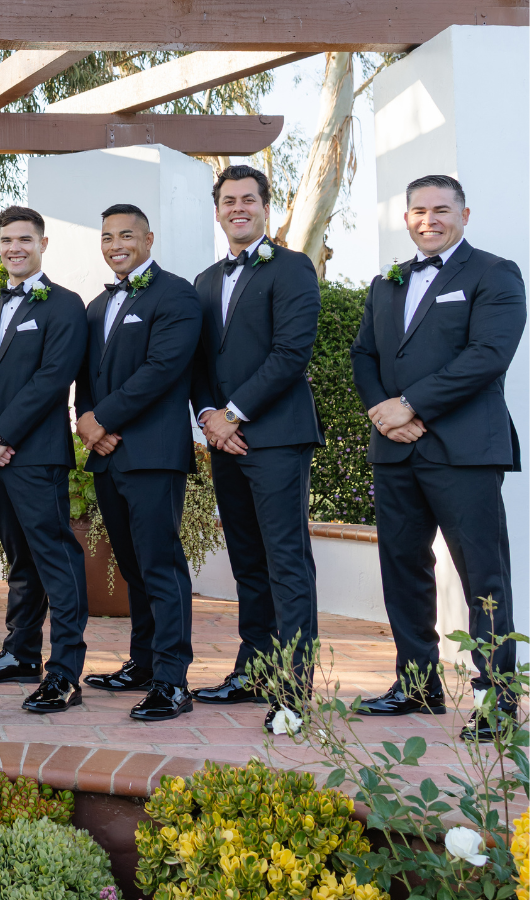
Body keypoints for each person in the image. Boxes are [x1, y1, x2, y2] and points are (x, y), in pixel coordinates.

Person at [350, 174, 525, 742]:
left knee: (483, 577)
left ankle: (497, 701)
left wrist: (411, 404)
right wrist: (383, 412)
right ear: (406, 219)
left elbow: (488, 355)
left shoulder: (495, 273)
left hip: (464, 450)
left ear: (464, 215)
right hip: (395, 451)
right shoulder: (386, 281)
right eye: (419, 211)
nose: (430, 220)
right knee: (402, 570)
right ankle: (417, 686)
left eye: (442, 210)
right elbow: (364, 353)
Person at [189, 165, 323, 733]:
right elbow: (196, 362)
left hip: (276, 436)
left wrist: (233, 414)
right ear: (217, 211)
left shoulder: (292, 268)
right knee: (247, 560)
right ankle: (254, 670)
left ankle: (293, 690)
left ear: (266, 207)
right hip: (224, 441)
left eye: (248, 199)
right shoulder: (204, 281)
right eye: (228, 200)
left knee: (286, 561)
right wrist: (207, 417)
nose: (238, 208)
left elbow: (291, 352)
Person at [0, 206, 89, 714]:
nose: (14, 248)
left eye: (24, 240)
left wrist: (3, 434)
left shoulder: (65, 305)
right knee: (21, 559)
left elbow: (53, 378)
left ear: (43, 244)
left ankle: (65, 673)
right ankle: (20, 653)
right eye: (7, 240)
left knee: (56, 560)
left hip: (37, 454)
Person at [75, 204, 201, 721]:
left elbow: (161, 370)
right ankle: (144, 663)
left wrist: (101, 419)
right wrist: (87, 419)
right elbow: (86, 374)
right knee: (132, 566)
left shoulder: (177, 295)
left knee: (160, 566)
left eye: (126, 235)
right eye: (108, 237)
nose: (116, 245)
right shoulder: (95, 305)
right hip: (108, 455)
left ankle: (173, 681)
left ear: (148, 239)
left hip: (153, 454)